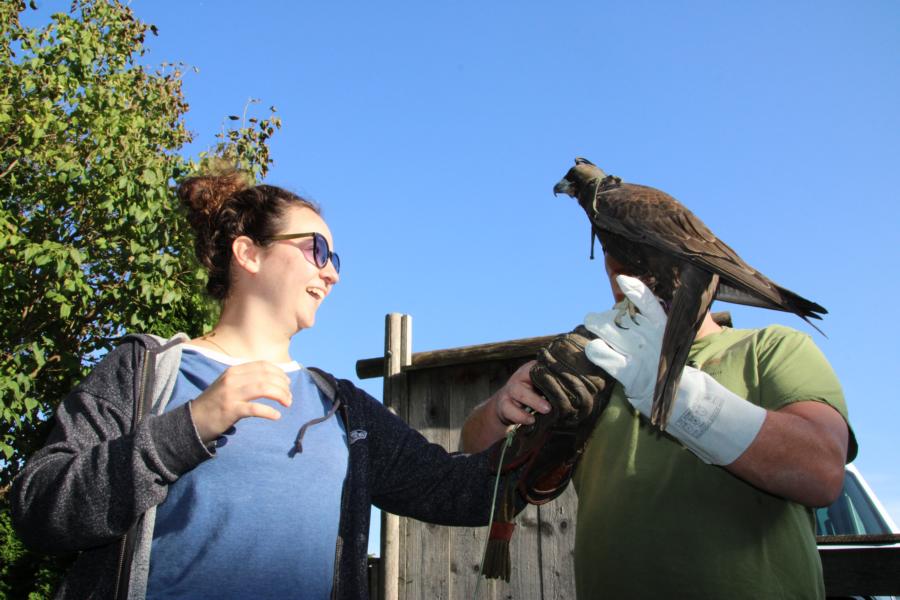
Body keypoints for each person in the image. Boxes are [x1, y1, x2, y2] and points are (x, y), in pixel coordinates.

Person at [12, 166, 526, 600]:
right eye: (317, 250)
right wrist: (188, 428)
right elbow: (38, 507)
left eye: (336, 260)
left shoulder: (342, 410)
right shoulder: (148, 372)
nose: (332, 274)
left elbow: (460, 493)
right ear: (248, 253)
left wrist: (515, 414)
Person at [461, 250, 856, 599]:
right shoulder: (594, 374)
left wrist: (679, 397)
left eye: (652, 271)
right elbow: (476, 462)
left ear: (703, 274)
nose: (634, 285)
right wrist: (500, 409)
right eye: (620, 272)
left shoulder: (770, 348)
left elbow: (820, 472)